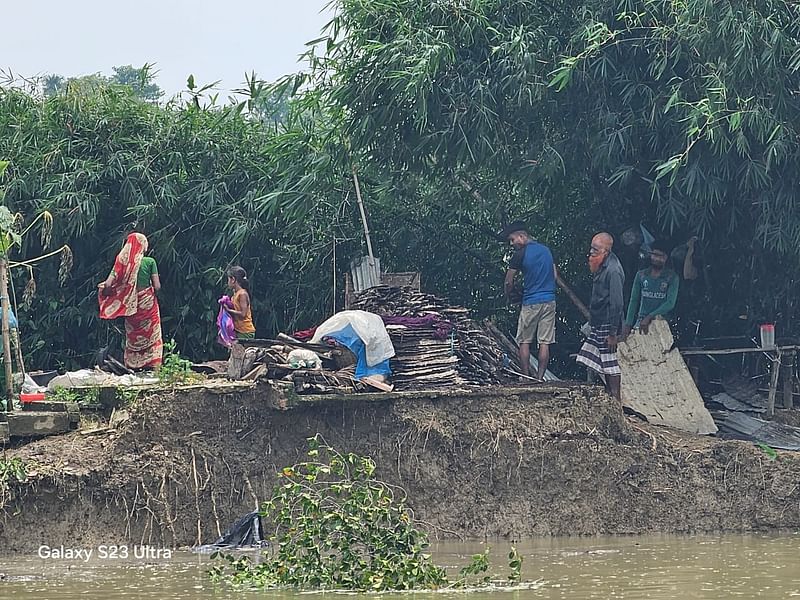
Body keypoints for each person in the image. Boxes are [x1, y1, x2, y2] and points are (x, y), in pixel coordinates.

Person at [98, 232, 163, 370]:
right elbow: (157, 286)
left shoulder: (122, 263)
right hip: (148, 305)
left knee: (133, 335)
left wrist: (115, 294)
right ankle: (154, 366)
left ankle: (133, 365)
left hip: (131, 307)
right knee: (153, 335)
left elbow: (108, 285)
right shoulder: (150, 262)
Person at [501, 221, 557, 381]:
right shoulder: (546, 250)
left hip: (531, 302)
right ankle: (540, 377)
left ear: (522, 236)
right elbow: (553, 275)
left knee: (524, 341)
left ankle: (526, 377)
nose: (512, 244)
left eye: (512, 240)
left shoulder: (520, 255)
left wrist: (509, 295)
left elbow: (508, 281)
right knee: (545, 342)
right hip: (549, 301)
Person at [576, 232, 625, 401]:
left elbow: (617, 304)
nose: (591, 253)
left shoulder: (613, 271)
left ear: (606, 251)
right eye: (591, 249)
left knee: (610, 362)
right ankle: (609, 395)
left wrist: (613, 333)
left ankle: (615, 399)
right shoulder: (602, 266)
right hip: (598, 321)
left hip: (607, 322)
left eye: (595, 250)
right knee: (594, 359)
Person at [621, 240, 680, 339]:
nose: (656, 258)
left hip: (662, 323)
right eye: (654, 255)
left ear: (666, 258)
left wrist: (650, 317)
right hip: (641, 321)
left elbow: (670, 303)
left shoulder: (672, 277)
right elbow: (634, 300)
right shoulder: (641, 275)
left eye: (660, 256)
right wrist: (628, 324)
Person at [224, 266, 256, 340]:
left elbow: (243, 314)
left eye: (228, 280)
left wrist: (229, 310)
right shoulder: (235, 293)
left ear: (233, 280)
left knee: (237, 349)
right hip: (238, 330)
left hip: (245, 331)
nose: (228, 282)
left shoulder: (242, 294)